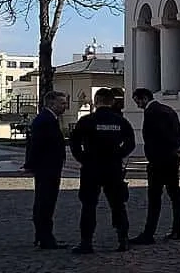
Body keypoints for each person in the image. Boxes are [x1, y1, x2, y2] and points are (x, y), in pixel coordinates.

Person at [68, 86, 136, 254]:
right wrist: (118, 155)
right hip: (113, 167)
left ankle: (86, 242)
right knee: (118, 204)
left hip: (91, 167)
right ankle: (123, 239)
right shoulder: (121, 121)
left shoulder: (86, 121)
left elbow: (74, 143)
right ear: (112, 102)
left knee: (89, 205)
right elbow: (131, 143)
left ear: (96, 101)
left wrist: (83, 158)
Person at [129, 87, 180, 244]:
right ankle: (177, 230)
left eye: (137, 101)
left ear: (144, 99)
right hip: (172, 160)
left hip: (158, 161)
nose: (137, 105)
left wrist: (175, 146)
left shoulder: (152, 113)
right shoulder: (168, 110)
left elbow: (163, 134)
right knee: (175, 195)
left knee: (154, 198)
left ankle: (149, 234)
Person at [22, 90, 70, 249]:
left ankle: (44, 236)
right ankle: (45, 237)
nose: (65, 106)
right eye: (62, 103)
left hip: (50, 166)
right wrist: (31, 164)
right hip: (47, 167)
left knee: (46, 202)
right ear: (51, 103)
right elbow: (35, 144)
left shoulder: (49, 119)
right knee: (45, 202)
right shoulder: (45, 120)